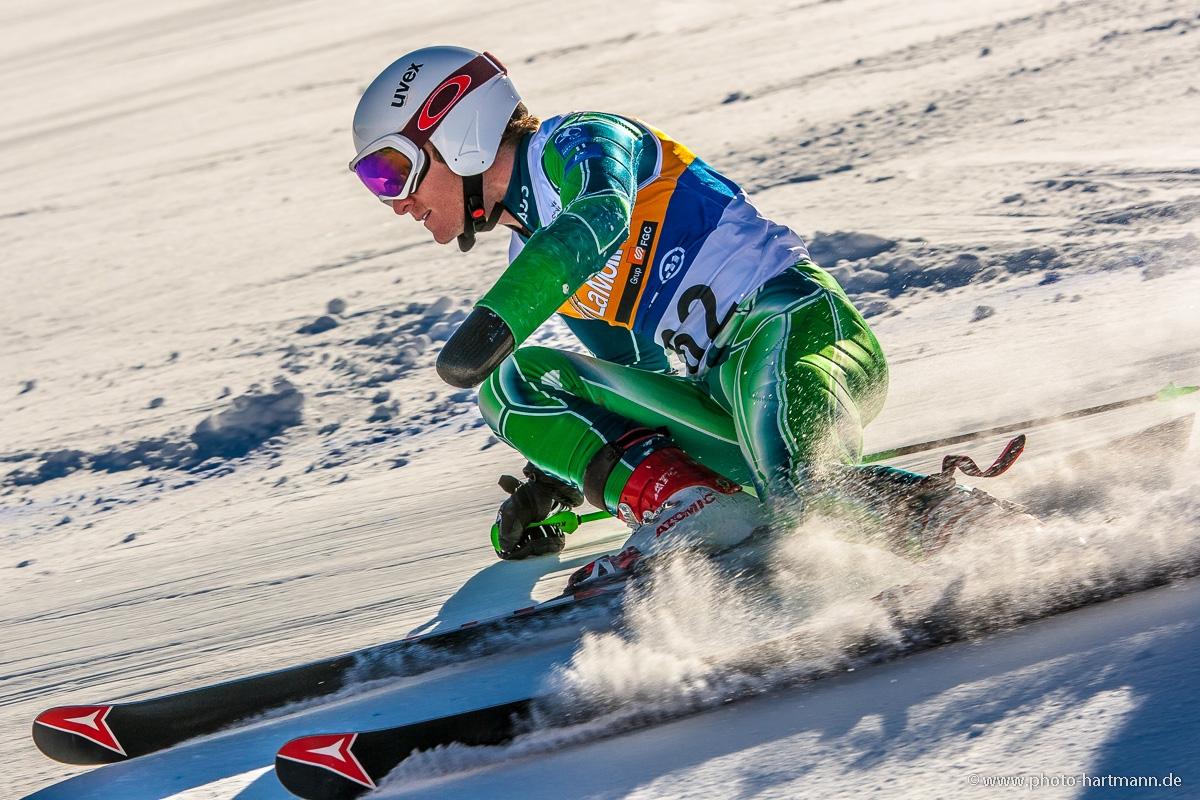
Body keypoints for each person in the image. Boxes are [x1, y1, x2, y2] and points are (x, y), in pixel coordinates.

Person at [348, 46, 1018, 590]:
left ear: (455, 132)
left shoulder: (579, 143)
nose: (395, 202)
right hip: (722, 397)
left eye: (391, 171)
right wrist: (560, 484)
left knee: (805, 492)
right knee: (512, 382)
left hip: (796, 334)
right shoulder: (538, 251)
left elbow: (601, 215)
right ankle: (691, 508)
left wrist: (499, 317)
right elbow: (633, 381)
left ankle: (1004, 545)